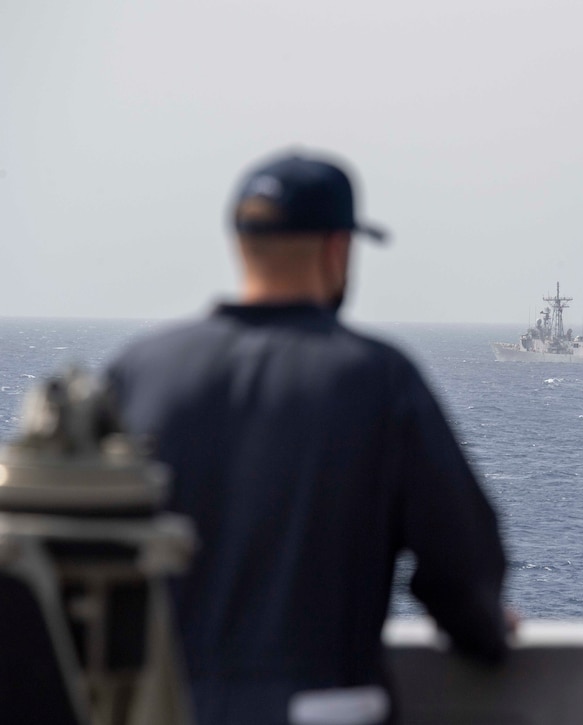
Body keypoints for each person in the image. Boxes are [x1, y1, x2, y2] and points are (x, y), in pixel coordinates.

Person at [107, 151, 508, 725]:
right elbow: (460, 561)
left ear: (241, 242)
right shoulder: (377, 379)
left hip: (168, 707)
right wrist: (485, 631)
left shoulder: (138, 372)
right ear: (337, 248)